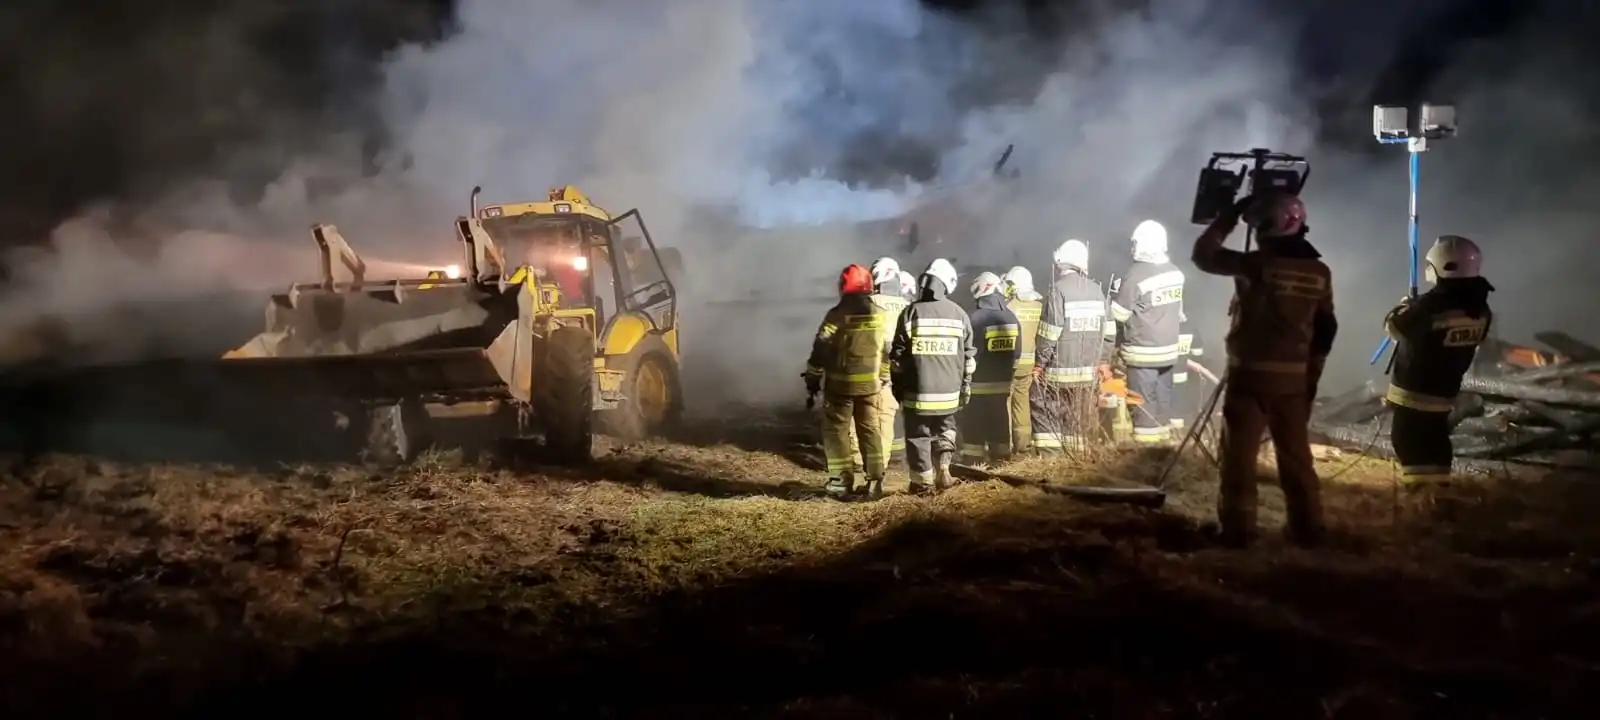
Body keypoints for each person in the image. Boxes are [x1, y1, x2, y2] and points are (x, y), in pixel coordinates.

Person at [1192, 192, 1338, 547]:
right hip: (1293, 381)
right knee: (1296, 457)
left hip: (1250, 378)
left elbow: (1203, 255)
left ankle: (1239, 530)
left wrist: (1230, 216)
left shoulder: (1257, 265)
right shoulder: (1319, 271)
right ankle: (1309, 528)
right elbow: (1326, 329)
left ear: (1264, 228)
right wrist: (1311, 379)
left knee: (1239, 458)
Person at [1383, 235, 1494, 486]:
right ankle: (1440, 495)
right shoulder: (1481, 309)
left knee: (1409, 443)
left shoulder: (1430, 306)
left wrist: (1406, 307)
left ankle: (1423, 500)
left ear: (1437, 267)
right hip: (1444, 393)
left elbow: (1393, 327)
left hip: (1414, 392)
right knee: (1435, 443)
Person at [889, 258, 976, 494]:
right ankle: (944, 470)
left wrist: (897, 386)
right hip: (949, 394)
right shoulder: (959, 314)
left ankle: (922, 483)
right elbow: (969, 358)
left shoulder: (910, 313)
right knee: (946, 429)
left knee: (918, 436)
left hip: (917, 393)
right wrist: (965, 387)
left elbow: (896, 357)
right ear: (947, 284)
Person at [804, 264, 890, 499]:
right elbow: (886, 350)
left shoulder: (837, 314)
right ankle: (875, 482)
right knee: (870, 431)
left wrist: (813, 374)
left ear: (844, 286)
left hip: (840, 386)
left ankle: (841, 481)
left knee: (836, 432)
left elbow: (821, 345)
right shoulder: (880, 314)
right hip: (870, 387)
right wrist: (883, 376)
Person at [1031, 239, 1114, 454]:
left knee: (1044, 410)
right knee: (1078, 424)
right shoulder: (1098, 291)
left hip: (1057, 374)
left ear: (1060, 263)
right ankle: (1076, 463)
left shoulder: (1057, 291)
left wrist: (1039, 364)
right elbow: (1109, 332)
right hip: (1088, 375)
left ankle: (1051, 462)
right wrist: (1104, 361)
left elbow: (1049, 333)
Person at [1109, 219, 1186, 445]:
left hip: (1143, 351)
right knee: (1163, 402)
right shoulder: (1175, 272)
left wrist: (1116, 294)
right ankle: (1163, 449)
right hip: (1169, 351)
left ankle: (1145, 454)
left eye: (1135, 243)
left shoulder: (1137, 274)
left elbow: (1119, 314)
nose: (1132, 248)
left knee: (1142, 404)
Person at [959, 272, 1022, 464]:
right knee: (1000, 422)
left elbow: (968, 352)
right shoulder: (1011, 317)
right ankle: (1001, 460)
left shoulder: (976, 317)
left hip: (977, 385)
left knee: (974, 424)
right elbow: (1017, 353)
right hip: (1002, 384)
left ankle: (973, 462)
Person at [868, 257, 911, 470]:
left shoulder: (869, 304)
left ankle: (861, 464)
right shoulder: (908, 306)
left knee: (864, 417)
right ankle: (881, 464)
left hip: (868, 371)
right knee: (888, 417)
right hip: (896, 372)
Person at [1002, 266, 1044, 453]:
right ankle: (1024, 445)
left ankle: (1006, 444)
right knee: (1022, 402)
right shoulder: (1039, 306)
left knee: (1005, 402)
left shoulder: (1009, 307)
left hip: (1010, 363)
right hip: (1031, 364)